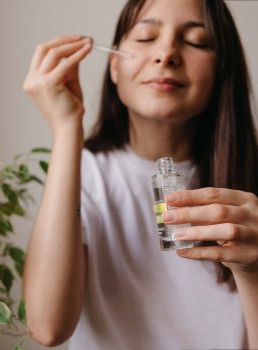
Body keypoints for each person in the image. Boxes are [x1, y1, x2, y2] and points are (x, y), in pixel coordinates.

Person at [22, 0, 258, 349]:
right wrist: (66, 126)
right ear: (114, 66)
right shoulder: (82, 174)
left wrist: (252, 270)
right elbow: (47, 328)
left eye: (195, 41)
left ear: (223, 70)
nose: (166, 54)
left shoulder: (249, 196)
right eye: (146, 37)